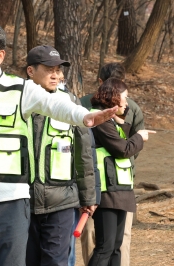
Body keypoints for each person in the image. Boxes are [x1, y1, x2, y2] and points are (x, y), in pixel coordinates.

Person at [0, 22, 117, 266]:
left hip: (10, 203)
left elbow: (55, 104)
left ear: (0, 55)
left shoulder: (21, 89)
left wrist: (84, 116)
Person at [24, 45, 97, 266]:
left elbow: (83, 153)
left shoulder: (71, 103)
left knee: (56, 262)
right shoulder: (14, 101)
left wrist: (88, 197)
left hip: (61, 201)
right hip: (22, 202)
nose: (57, 75)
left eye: (59, 69)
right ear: (30, 71)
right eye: (50, 69)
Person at [80, 62, 145, 266]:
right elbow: (124, 148)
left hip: (121, 187)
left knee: (116, 245)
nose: (127, 103)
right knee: (104, 245)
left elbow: (127, 146)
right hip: (104, 188)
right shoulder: (93, 112)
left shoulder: (126, 112)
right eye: (124, 98)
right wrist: (139, 138)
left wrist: (121, 122)